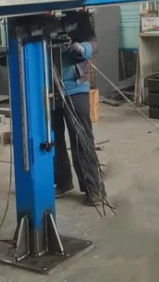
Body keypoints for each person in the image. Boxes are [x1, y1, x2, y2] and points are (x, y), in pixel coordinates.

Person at [53, 11, 106, 206]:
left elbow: (94, 43)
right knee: (52, 139)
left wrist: (83, 48)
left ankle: (93, 189)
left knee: (81, 139)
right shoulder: (37, 14)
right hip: (47, 88)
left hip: (74, 87)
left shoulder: (76, 16)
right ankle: (63, 181)